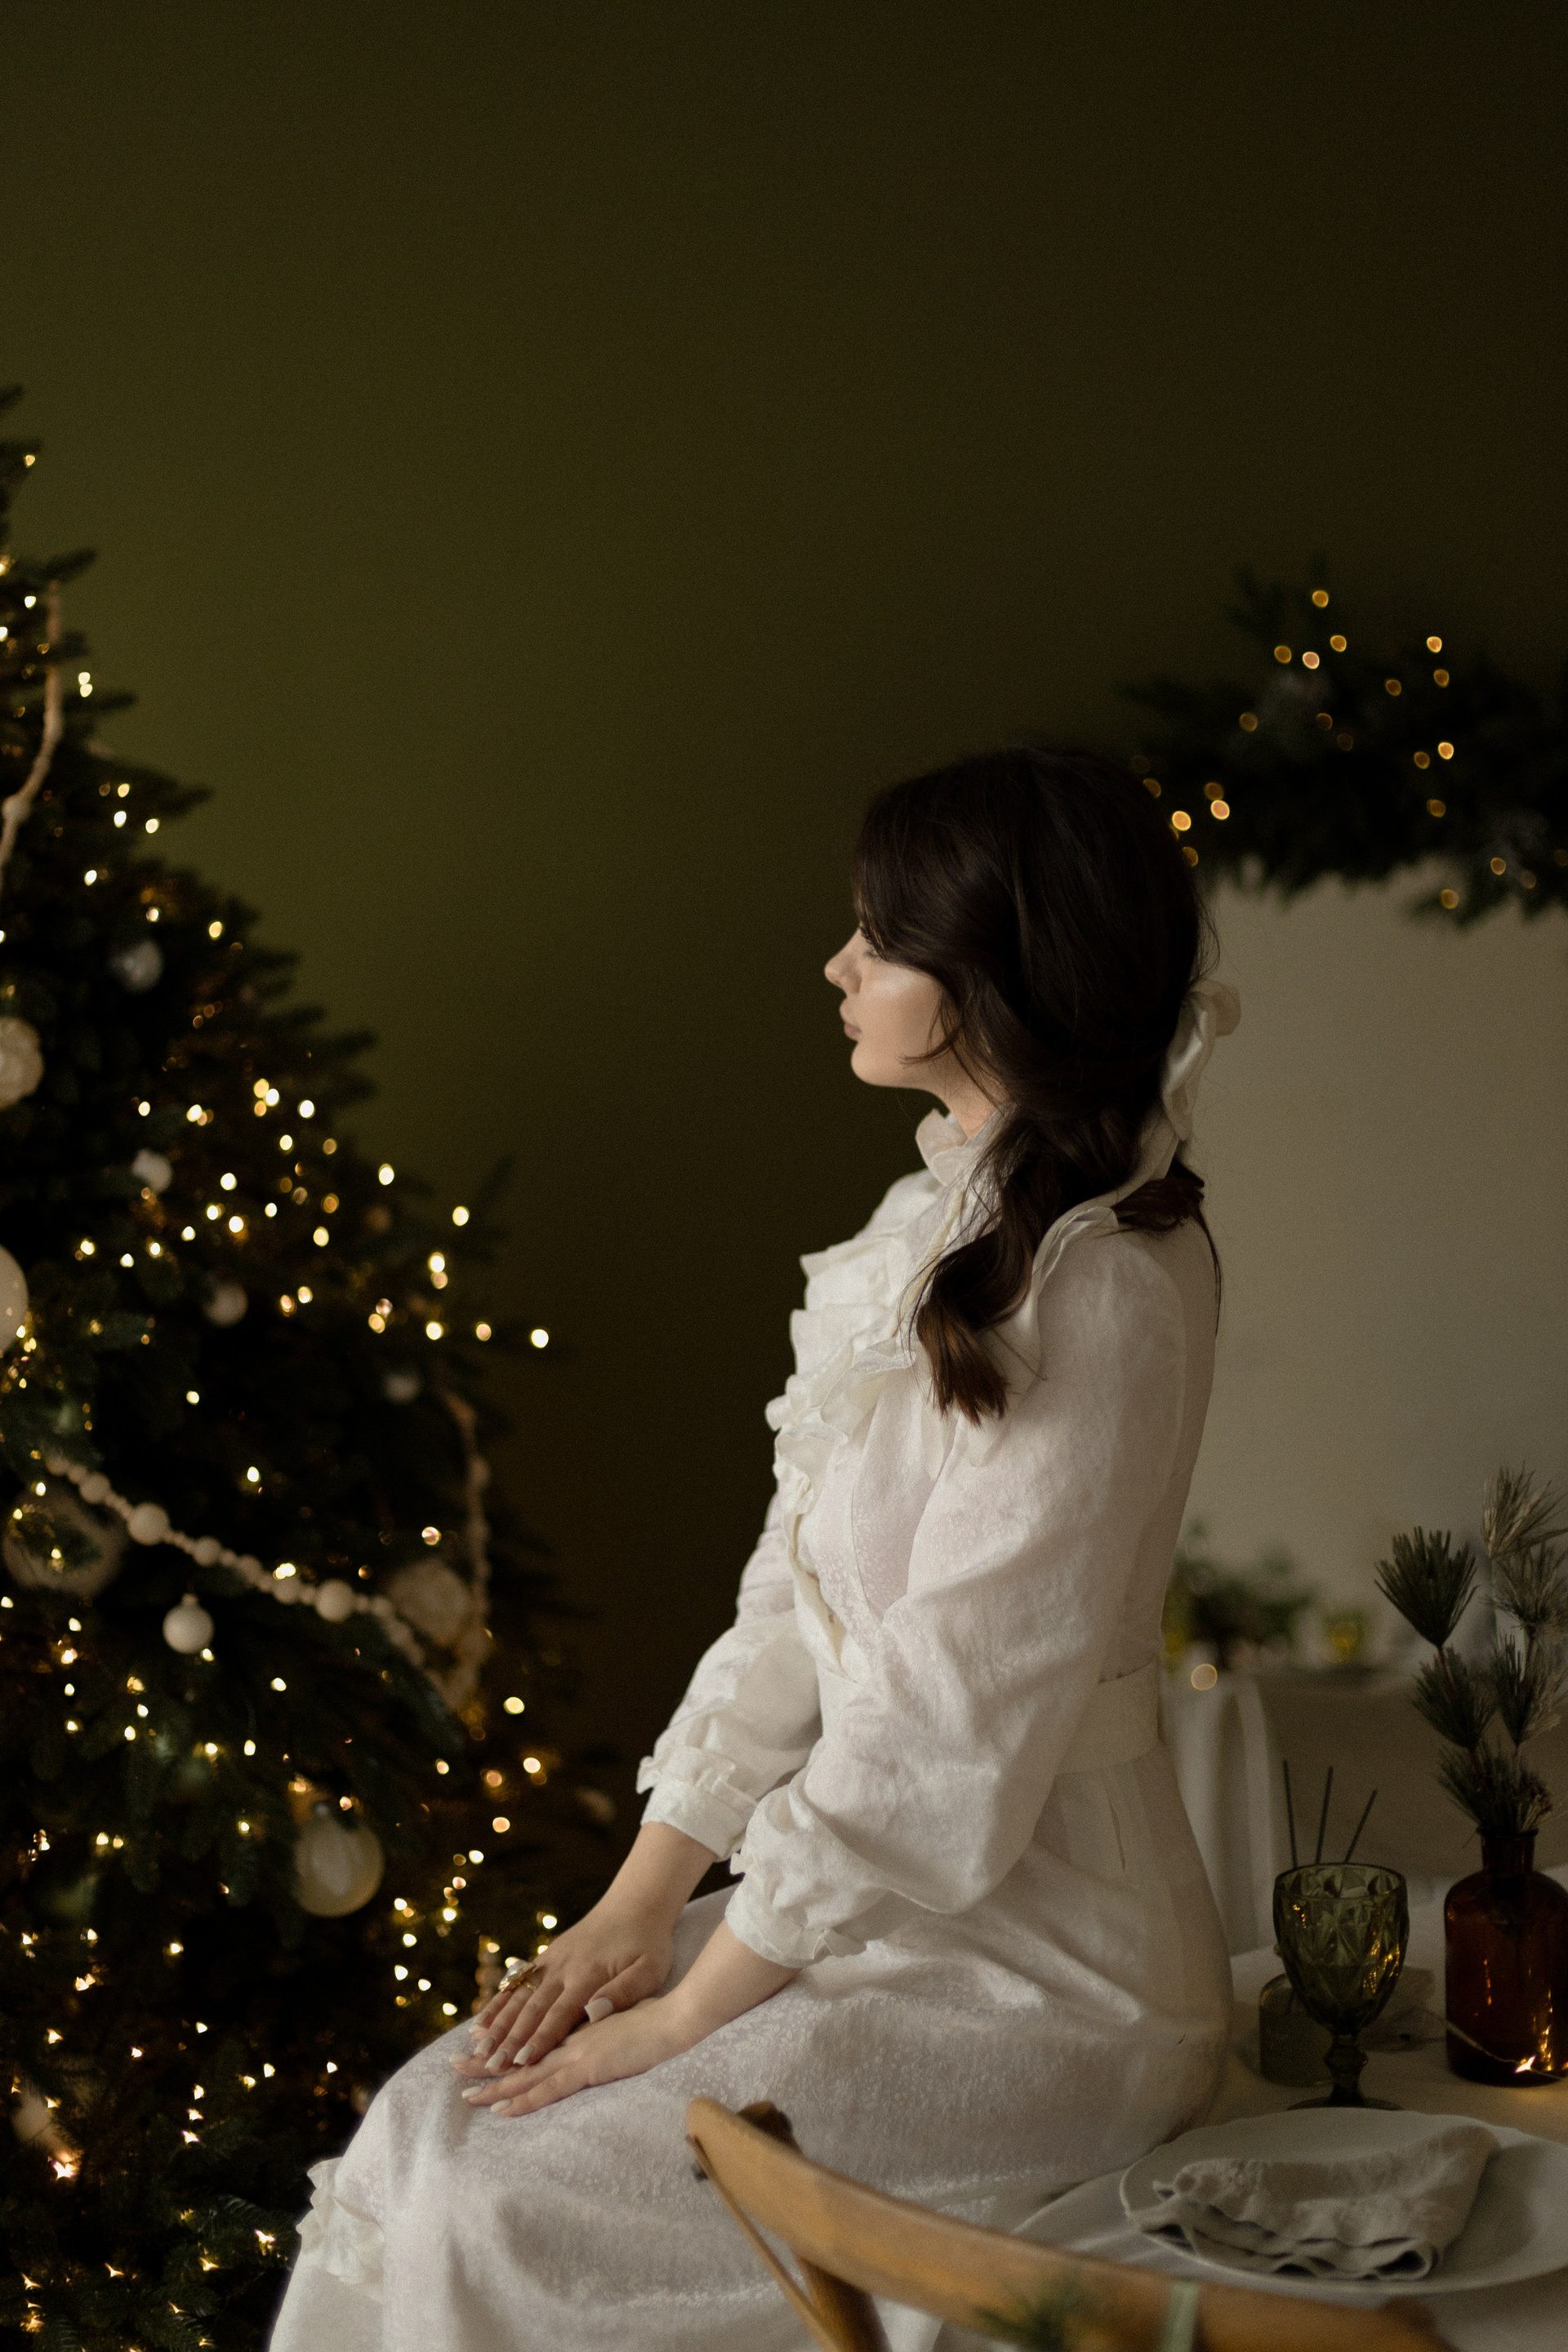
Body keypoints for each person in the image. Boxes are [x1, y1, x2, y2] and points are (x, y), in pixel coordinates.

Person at [270, 746, 1237, 2352]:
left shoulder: (1106, 1288)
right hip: (883, 1912)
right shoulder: (932, 1233)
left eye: (881, 937)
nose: (839, 966)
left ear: (995, 974)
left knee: (499, 2196)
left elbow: (944, 1727)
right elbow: (795, 1606)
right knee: (422, 2127)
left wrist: (685, 2018)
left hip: (1053, 1979)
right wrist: (639, 1904)